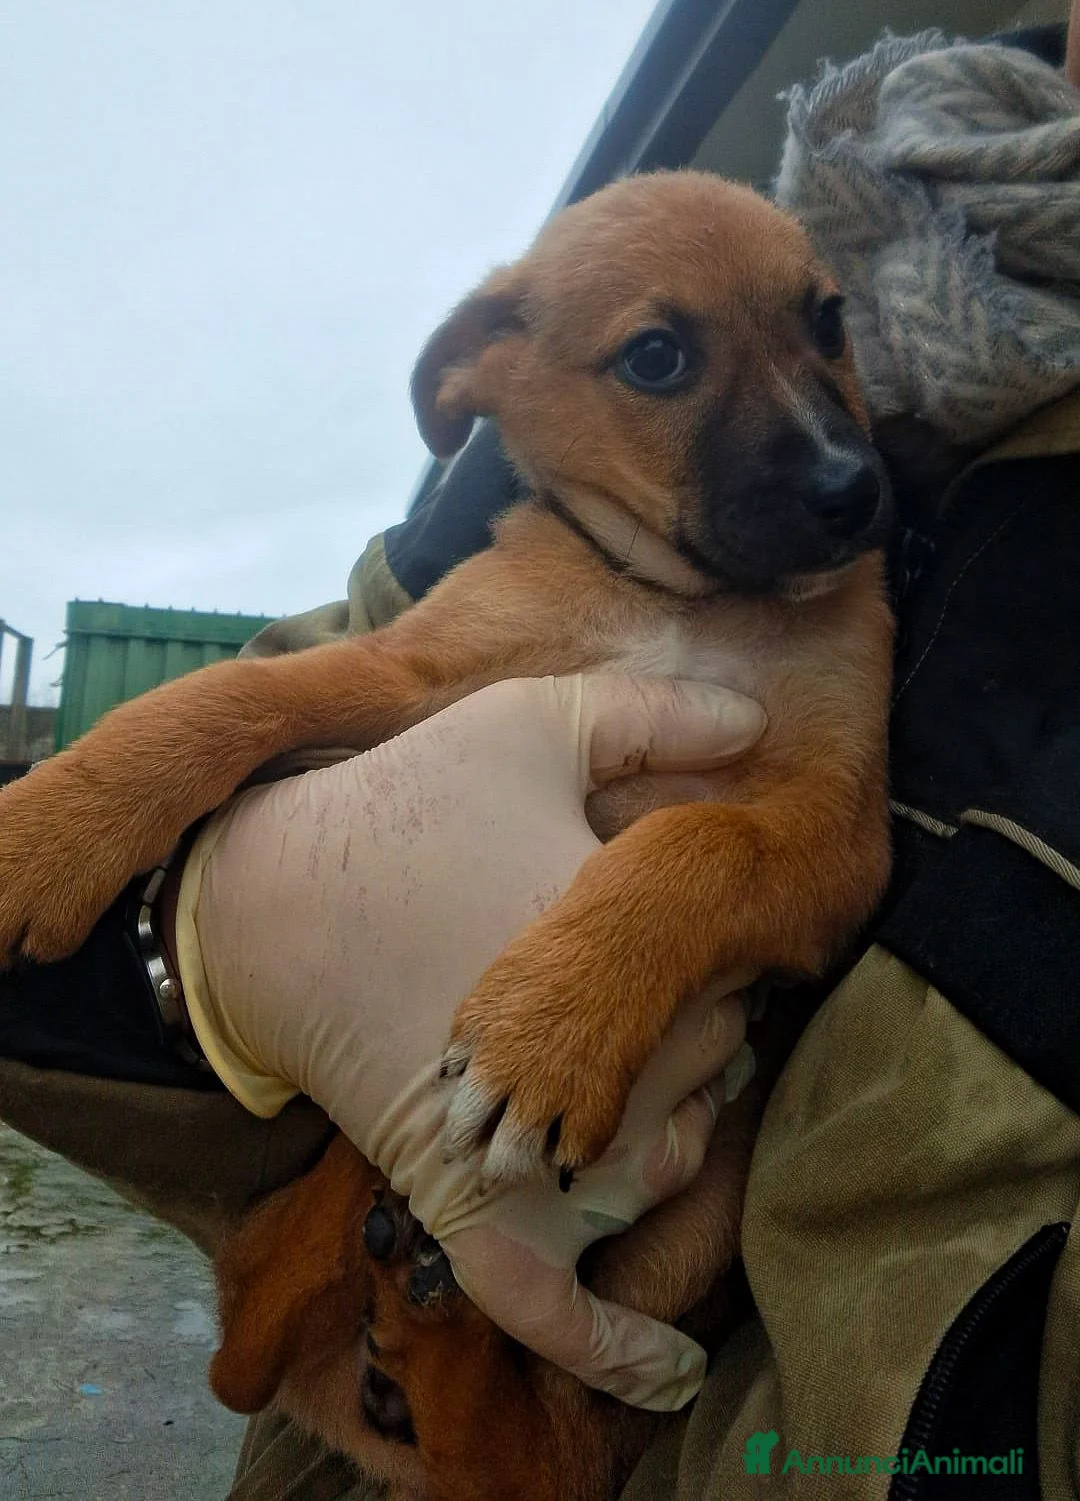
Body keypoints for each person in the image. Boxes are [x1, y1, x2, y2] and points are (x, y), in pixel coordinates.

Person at [3, 12, 1080, 1499]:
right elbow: (355, 682)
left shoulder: (845, 600)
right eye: (663, 359)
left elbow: (828, 852)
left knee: (668, 1246)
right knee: (282, 1305)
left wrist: (653, 911)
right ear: (488, 378)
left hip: (693, 1286)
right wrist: (218, 921)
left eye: (817, 329)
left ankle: (470, 1399)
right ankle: (353, 1321)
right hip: (350, 1289)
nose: (829, 454)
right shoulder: (506, 551)